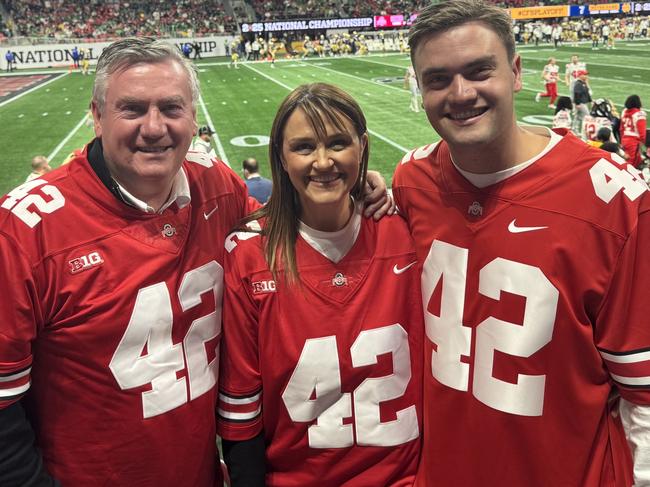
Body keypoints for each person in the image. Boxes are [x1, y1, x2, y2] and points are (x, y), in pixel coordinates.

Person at [0, 37, 392, 487]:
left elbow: (287, 228)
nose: (153, 127)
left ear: (192, 116)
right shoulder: (25, 231)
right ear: (96, 116)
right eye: (132, 109)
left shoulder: (217, 187)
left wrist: (358, 188)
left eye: (171, 108)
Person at [394, 1, 650, 486]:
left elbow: (644, 395)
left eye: (478, 71)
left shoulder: (614, 200)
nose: (460, 93)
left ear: (515, 71)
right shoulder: (412, 180)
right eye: (438, 79)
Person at [218, 83, 422, 486]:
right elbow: (242, 410)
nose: (324, 161)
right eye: (305, 147)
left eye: (338, 143)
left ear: (362, 147)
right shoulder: (249, 254)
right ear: (281, 154)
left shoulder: (409, 229)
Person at [620, 95, 647, 168]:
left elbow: (621, 129)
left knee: (634, 160)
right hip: (633, 142)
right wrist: (644, 144)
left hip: (624, 139)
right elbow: (642, 134)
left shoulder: (624, 111)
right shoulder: (639, 114)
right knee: (629, 164)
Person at [572, 70, 591, 135]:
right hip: (580, 103)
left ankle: (574, 130)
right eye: (585, 75)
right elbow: (576, 93)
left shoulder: (583, 83)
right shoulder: (578, 83)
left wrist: (590, 100)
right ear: (580, 75)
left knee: (577, 116)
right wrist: (577, 103)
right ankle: (583, 131)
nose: (586, 76)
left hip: (583, 102)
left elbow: (586, 93)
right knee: (587, 116)